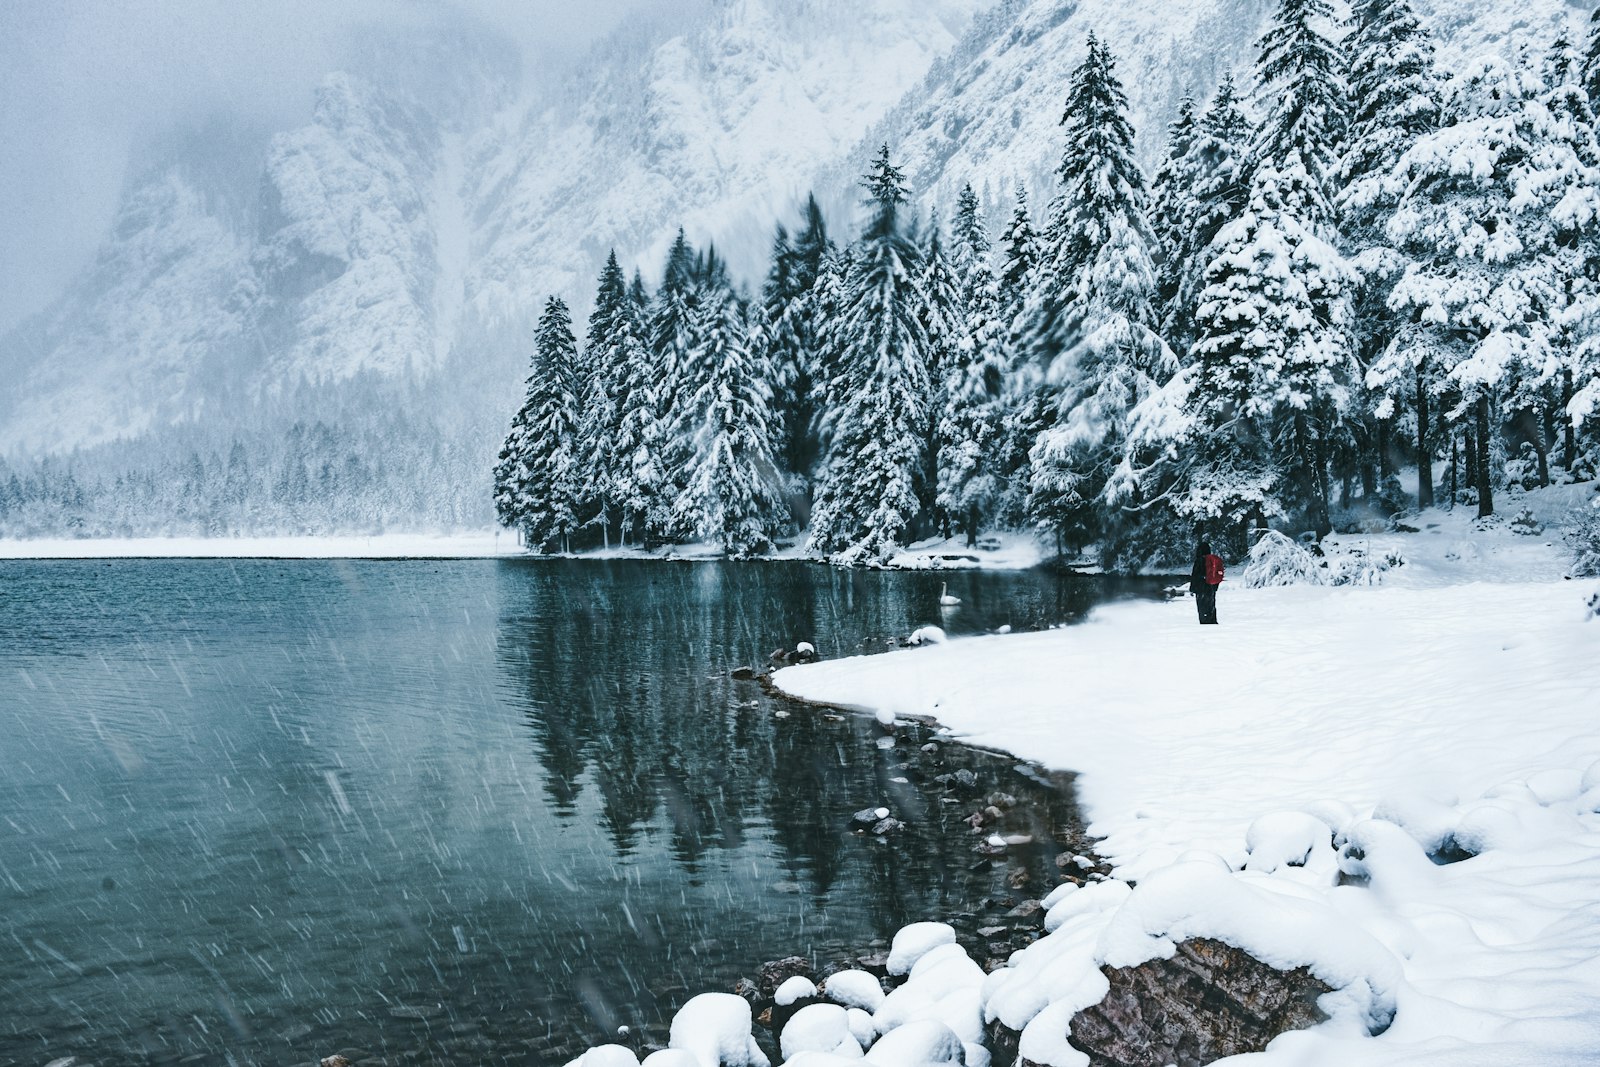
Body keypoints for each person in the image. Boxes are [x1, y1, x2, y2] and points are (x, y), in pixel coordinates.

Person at [1190, 538, 1222, 625]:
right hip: (1211, 586)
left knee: (1202, 606)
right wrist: (1215, 586)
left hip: (1201, 587)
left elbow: (1195, 575)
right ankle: (1212, 621)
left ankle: (1205, 623)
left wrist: (1192, 589)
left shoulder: (1199, 560)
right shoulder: (1213, 560)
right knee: (1211, 605)